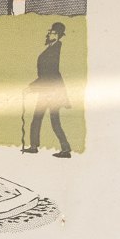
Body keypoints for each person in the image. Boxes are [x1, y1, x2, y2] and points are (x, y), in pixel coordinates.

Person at [24, 21, 72, 158]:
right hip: (46, 90)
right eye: (50, 32)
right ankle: (34, 146)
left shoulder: (54, 50)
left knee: (54, 121)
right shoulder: (51, 48)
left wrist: (31, 87)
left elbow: (49, 74)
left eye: (52, 32)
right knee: (38, 118)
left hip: (52, 91)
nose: (49, 34)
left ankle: (65, 150)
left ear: (57, 35)